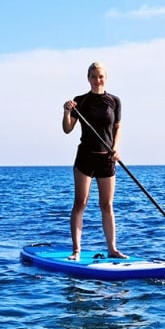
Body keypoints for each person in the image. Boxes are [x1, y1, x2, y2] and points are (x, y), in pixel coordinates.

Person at [62, 61, 126, 260]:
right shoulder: (80, 101)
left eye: (101, 76)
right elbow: (67, 128)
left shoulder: (114, 101)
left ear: (105, 78)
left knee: (106, 205)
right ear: (88, 78)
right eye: (93, 76)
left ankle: (112, 249)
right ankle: (76, 250)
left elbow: (117, 128)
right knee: (80, 202)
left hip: (107, 159)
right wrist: (66, 111)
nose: (97, 80)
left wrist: (115, 149)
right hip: (85, 159)